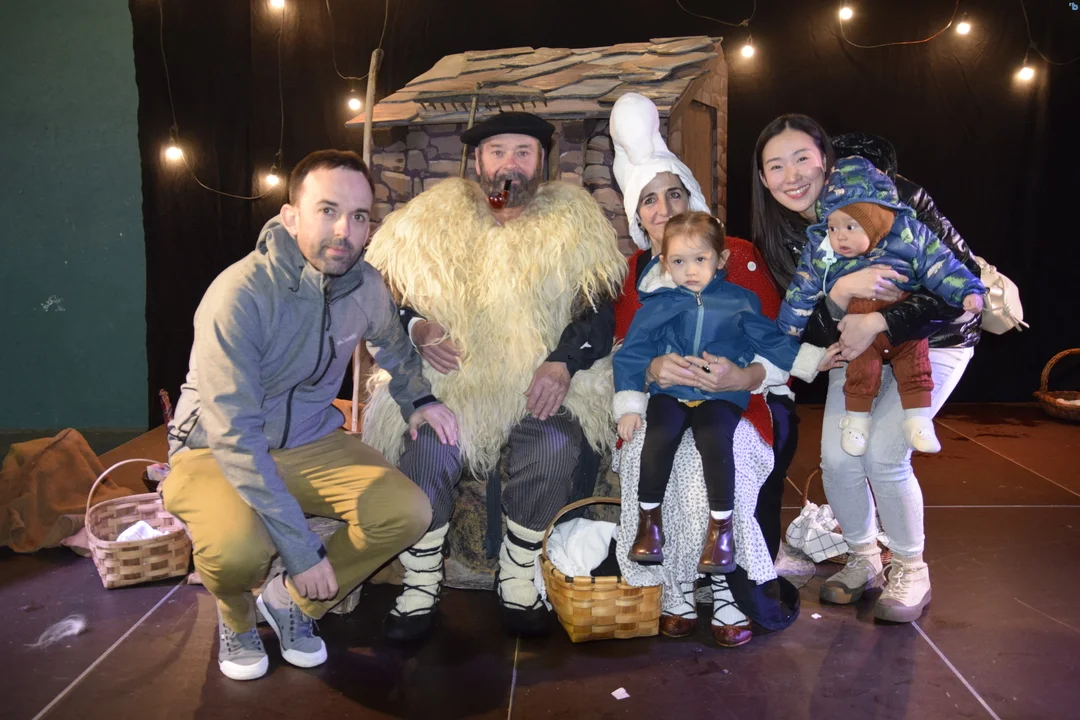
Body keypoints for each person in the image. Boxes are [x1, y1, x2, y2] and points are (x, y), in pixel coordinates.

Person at [163, 150, 457, 680]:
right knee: (238, 551)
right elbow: (234, 434)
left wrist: (420, 401)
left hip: (309, 442)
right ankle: (236, 617)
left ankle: (291, 602)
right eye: (327, 210)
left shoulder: (364, 285)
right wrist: (301, 549)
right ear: (291, 216)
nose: (345, 230)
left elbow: (393, 345)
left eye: (359, 216)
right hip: (215, 449)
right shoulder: (239, 295)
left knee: (408, 511)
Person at [361, 112, 626, 641]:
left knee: (554, 444)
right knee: (428, 450)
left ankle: (518, 575)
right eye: (498, 151)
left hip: (540, 380)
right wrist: (417, 327)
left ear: (541, 161)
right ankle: (421, 583)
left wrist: (563, 361)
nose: (511, 163)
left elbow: (597, 311)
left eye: (523, 152)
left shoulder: (575, 222)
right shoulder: (428, 222)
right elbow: (382, 296)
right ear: (477, 161)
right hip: (453, 385)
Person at [752, 115, 983, 622]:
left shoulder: (895, 196)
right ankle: (863, 557)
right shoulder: (785, 236)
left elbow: (960, 284)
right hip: (858, 351)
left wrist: (881, 317)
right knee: (838, 459)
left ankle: (911, 567)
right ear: (764, 179)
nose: (792, 175)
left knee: (883, 453)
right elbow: (805, 329)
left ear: (825, 158)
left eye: (802, 158)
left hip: (933, 341)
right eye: (776, 166)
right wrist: (838, 295)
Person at [609, 93, 801, 648]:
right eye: (649, 199)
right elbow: (626, 353)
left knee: (703, 468)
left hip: (736, 403)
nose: (664, 207)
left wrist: (741, 377)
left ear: (691, 195)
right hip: (661, 405)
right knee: (651, 456)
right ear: (637, 215)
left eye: (674, 192)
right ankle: (673, 588)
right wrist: (654, 368)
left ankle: (723, 588)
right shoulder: (631, 274)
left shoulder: (735, 255)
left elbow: (776, 347)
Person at [614, 211, 827, 575]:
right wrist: (631, 405)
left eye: (700, 259)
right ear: (664, 263)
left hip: (720, 395)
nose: (690, 270)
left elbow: (770, 341)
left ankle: (721, 531)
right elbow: (633, 352)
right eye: (679, 262)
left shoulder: (740, 301)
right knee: (657, 436)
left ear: (721, 259)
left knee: (715, 439)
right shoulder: (658, 304)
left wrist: (813, 360)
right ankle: (649, 524)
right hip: (671, 392)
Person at [778, 156, 985, 456]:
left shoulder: (909, 234)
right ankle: (856, 422)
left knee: (915, 363)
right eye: (832, 228)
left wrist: (967, 290)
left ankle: (918, 420)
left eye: (850, 226)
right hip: (857, 334)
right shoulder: (823, 249)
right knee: (861, 371)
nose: (840, 236)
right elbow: (800, 294)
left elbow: (941, 264)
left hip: (907, 327)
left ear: (874, 220)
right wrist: (786, 339)